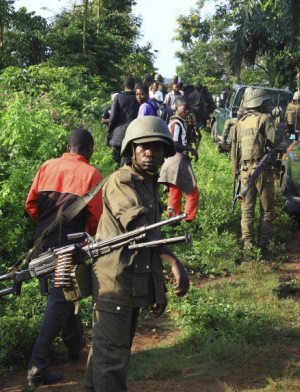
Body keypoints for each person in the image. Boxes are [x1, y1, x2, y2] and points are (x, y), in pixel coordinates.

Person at [84, 116, 189, 391]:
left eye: (157, 148)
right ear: (131, 149)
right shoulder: (121, 181)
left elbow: (147, 245)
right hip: (114, 283)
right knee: (111, 361)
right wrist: (173, 260)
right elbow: (140, 229)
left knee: (107, 354)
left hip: (130, 282)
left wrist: (158, 290)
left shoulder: (149, 183)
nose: (151, 153)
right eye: (144, 147)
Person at [25, 129, 103, 387]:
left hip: (43, 242)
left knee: (67, 295)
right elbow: (96, 217)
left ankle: (74, 348)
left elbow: (31, 205)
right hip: (71, 247)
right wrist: (86, 240)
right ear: (89, 149)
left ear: (69, 146)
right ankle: (38, 368)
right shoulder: (91, 174)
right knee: (59, 300)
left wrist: (46, 230)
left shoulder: (46, 166)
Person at [230, 88, 283, 250]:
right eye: (265, 102)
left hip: (245, 171)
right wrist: (279, 127)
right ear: (259, 103)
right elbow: (274, 141)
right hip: (262, 170)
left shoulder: (239, 124)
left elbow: (234, 155)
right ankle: (262, 243)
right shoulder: (264, 119)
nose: (267, 104)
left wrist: (237, 175)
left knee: (247, 211)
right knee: (267, 209)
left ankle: (247, 244)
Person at [159, 97, 199, 222]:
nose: (187, 111)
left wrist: (190, 127)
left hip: (174, 162)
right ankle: (188, 219)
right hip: (177, 161)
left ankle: (171, 221)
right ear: (176, 108)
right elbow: (174, 144)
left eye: (188, 108)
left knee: (175, 193)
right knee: (192, 193)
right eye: (184, 108)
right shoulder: (176, 123)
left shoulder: (181, 123)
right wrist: (191, 150)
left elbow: (186, 139)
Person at [107, 76, 139, 166]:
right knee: (127, 164)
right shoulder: (138, 98)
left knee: (115, 164)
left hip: (118, 135)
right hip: (132, 135)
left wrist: (109, 131)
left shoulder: (118, 97)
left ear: (123, 86)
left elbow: (112, 117)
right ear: (133, 86)